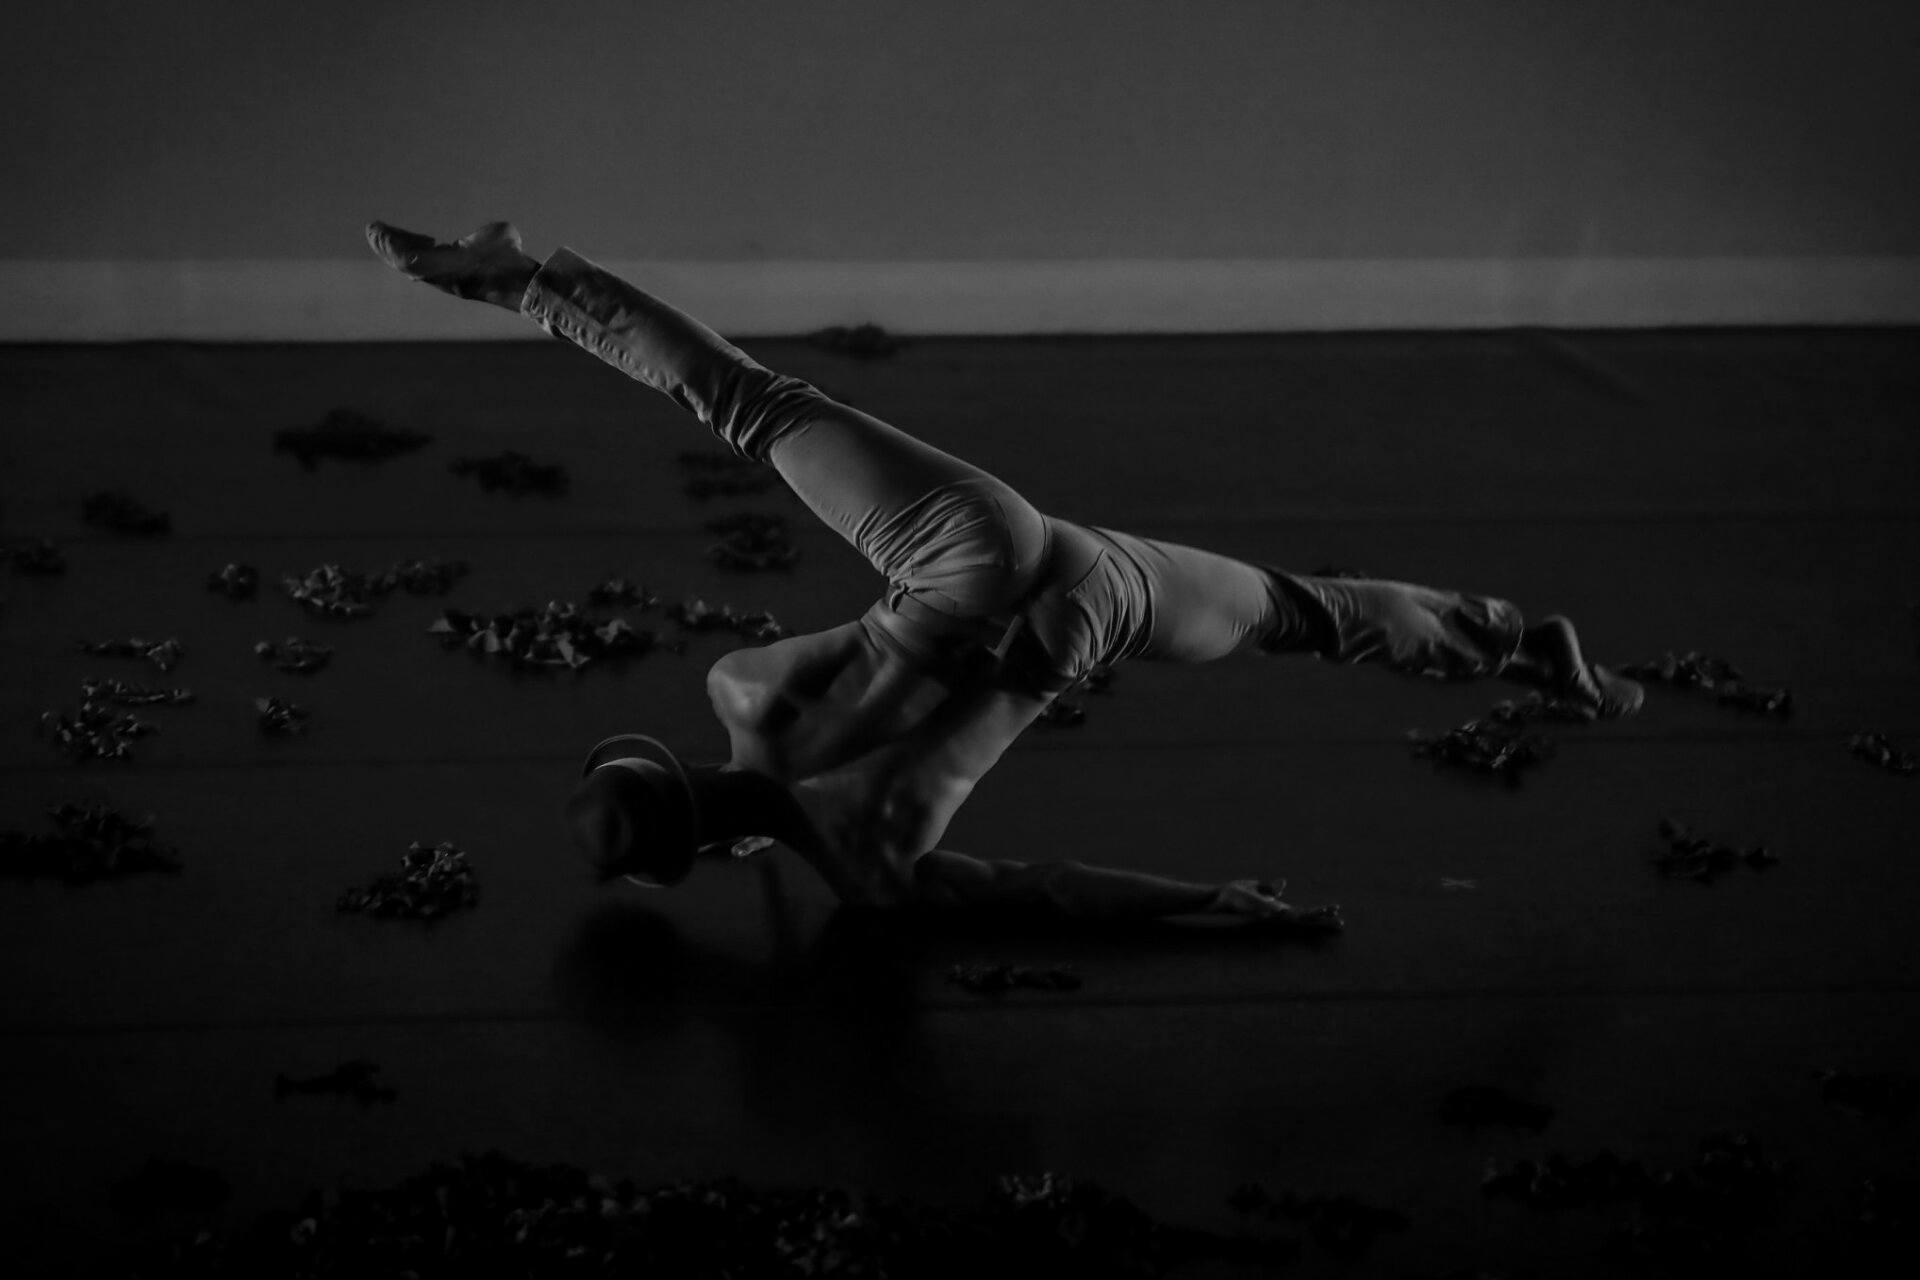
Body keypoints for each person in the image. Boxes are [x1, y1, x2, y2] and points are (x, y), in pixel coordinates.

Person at [366, 220, 1643, 930]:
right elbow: (860, 684)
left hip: (1067, 635)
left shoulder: (866, 862)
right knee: (751, 402)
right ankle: (527, 279)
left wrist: (1219, 902)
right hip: (981, 554)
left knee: (1291, 618)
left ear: (702, 852)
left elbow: (1038, 891)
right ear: (661, 765)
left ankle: (1520, 652)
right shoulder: (740, 687)